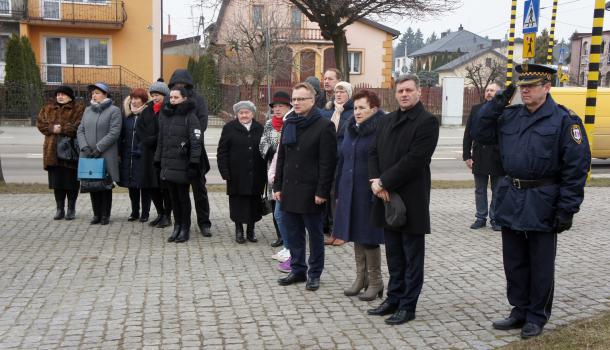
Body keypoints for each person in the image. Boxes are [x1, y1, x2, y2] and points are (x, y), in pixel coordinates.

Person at [470, 64, 591, 339]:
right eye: (521, 85)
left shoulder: (564, 121)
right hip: (512, 196)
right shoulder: (511, 116)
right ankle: (519, 309)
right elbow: (480, 130)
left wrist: (567, 208)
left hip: (543, 199)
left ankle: (536, 315)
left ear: (546, 87)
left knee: (540, 262)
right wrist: (499, 100)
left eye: (531, 85)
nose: (525, 90)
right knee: (514, 261)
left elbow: (576, 168)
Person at [367, 74, 439, 325]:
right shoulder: (387, 120)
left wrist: (384, 182)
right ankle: (393, 298)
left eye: (409, 90)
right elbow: (373, 151)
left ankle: (408, 305)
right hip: (385, 196)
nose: (404, 94)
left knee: (411, 256)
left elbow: (414, 160)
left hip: (411, 198)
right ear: (395, 94)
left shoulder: (427, 122)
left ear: (418, 92)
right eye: (400, 91)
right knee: (394, 254)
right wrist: (375, 181)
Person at [273, 82, 337, 292]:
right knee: (293, 233)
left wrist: (322, 191)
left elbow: (328, 163)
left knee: (315, 235)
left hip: (311, 191)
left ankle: (314, 273)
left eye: (301, 99)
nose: (297, 103)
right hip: (290, 188)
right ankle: (298, 269)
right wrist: (278, 185)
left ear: (312, 100)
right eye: (294, 99)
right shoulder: (289, 122)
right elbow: (282, 157)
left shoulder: (324, 125)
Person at [334, 89, 385, 301]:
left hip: (369, 191)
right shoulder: (350, 129)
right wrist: (338, 188)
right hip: (350, 189)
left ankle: (376, 281)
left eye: (362, 108)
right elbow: (343, 159)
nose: (357, 112)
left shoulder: (381, 129)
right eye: (355, 108)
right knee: (355, 233)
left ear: (374, 109)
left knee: (369, 236)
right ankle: (360, 278)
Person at [168, 69, 212, 237]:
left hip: (195, 151)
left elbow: (203, 123)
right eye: (176, 84)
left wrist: (187, 141)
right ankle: (180, 223)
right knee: (178, 192)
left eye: (182, 84)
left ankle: (204, 222)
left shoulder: (198, 100)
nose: (179, 86)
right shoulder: (170, 100)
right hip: (176, 155)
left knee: (199, 190)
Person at [155, 87, 202, 243]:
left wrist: (194, 164)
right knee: (173, 198)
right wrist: (158, 160)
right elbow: (161, 141)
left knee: (183, 198)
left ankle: (185, 228)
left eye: (176, 97)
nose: (172, 100)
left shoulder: (190, 117)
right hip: (168, 164)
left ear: (184, 99)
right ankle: (177, 226)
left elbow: (196, 143)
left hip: (183, 165)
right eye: (171, 97)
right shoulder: (165, 115)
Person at [217, 101, 267, 244]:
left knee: (253, 203)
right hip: (236, 174)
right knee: (237, 203)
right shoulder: (229, 128)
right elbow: (222, 152)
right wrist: (224, 172)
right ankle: (239, 230)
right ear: (237, 114)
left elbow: (265, 150)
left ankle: (251, 231)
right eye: (241, 113)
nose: (244, 115)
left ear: (252, 113)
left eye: (247, 112)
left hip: (256, 173)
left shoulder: (260, 128)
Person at [36, 86, 85, 220]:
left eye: (63, 94)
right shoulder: (48, 108)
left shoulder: (78, 108)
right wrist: (52, 128)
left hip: (71, 151)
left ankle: (71, 209)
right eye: (58, 94)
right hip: (52, 151)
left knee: (71, 183)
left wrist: (62, 129)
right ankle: (59, 209)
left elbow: (79, 126)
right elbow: (40, 124)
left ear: (70, 96)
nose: (60, 97)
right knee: (57, 183)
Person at [77, 82, 122, 225]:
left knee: (105, 185)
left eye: (97, 92)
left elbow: (114, 132)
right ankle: (96, 214)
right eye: (93, 93)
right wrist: (84, 147)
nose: (93, 95)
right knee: (92, 184)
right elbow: (80, 130)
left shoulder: (114, 111)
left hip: (105, 154)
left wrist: (99, 148)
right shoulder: (87, 110)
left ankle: (105, 215)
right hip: (88, 154)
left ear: (105, 94)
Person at [463, 82, 505, 231]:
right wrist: (466, 155)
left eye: (492, 90)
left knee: (498, 189)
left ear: (499, 93)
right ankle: (480, 217)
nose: (489, 93)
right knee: (480, 189)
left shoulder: (504, 110)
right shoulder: (476, 109)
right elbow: (468, 134)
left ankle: (496, 218)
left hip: (498, 155)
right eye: (487, 90)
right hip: (479, 154)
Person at [259, 91, 292, 255]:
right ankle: (280, 235)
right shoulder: (268, 124)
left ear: (288, 107)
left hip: (287, 171)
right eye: (275, 107)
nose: (277, 109)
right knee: (274, 203)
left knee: (284, 205)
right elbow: (262, 143)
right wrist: (270, 150)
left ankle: (289, 239)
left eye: (281, 106)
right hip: (272, 168)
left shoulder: (291, 123)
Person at [138, 80, 172, 228]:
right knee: (151, 186)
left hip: (163, 153)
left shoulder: (169, 110)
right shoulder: (147, 110)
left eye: (158, 95)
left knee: (164, 187)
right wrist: (145, 140)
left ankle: (167, 215)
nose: (155, 97)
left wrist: (153, 139)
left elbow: (167, 131)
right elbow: (139, 129)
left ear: (165, 95)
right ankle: (160, 212)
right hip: (148, 154)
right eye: (153, 95)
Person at [323, 81, 354, 247]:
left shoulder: (352, 112)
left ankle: (342, 232)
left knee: (339, 195)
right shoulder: (330, 110)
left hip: (344, 159)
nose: (339, 94)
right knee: (330, 194)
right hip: (329, 159)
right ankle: (333, 230)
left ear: (349, 94)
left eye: (342, 92)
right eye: (337, 91)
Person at [119, 88, 150, 222]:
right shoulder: (127, 116)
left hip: (142, 156)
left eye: (138, 98)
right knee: (132, 185)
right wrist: (120, 152)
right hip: (128, 155)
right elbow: (121, 136)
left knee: (144, 185)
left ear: (144, 100)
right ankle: (134, 212)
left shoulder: (148, 115)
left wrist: (141, 149)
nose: (134, 101)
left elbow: (149, 136)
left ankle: (145, 213)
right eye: (132, 98)